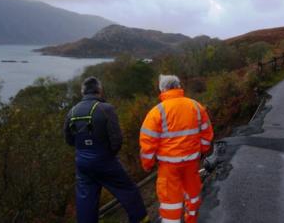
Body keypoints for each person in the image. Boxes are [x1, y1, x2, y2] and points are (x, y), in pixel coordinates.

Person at [64, 76, 149, 223]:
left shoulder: (71, 112)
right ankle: (141, 219)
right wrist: (108, 155)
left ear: (83, 92)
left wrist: (84, 151)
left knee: (86, 201)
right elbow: (117, 140)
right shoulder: (106, 109)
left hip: (82, 163)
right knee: (128, 190)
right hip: (104, 160)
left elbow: (69, 140)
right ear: (99, 90)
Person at [139, 74, 214, 223]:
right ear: (179, 86)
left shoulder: (156, 112)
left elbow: (148, 144)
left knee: (170, 203)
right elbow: (207, 133)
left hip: (169, 167)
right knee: (193, 195)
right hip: (192, 162)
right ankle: (191, 220)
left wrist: (147, 164)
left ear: (162, 90)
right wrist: (202, 150)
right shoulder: (195, 106)